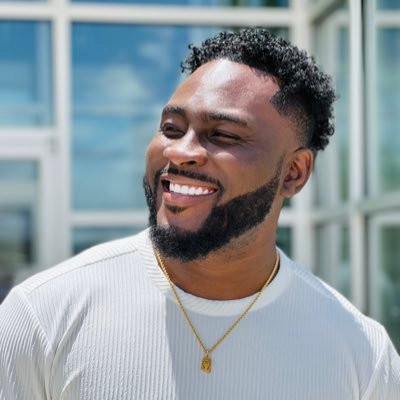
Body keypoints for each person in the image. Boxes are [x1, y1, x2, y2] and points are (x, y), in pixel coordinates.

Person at [0, 28, 399, 400]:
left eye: (223, 135)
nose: (179, 151)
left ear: (294, 173)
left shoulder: (361, 354)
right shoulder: (43, 315)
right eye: (171, 128)